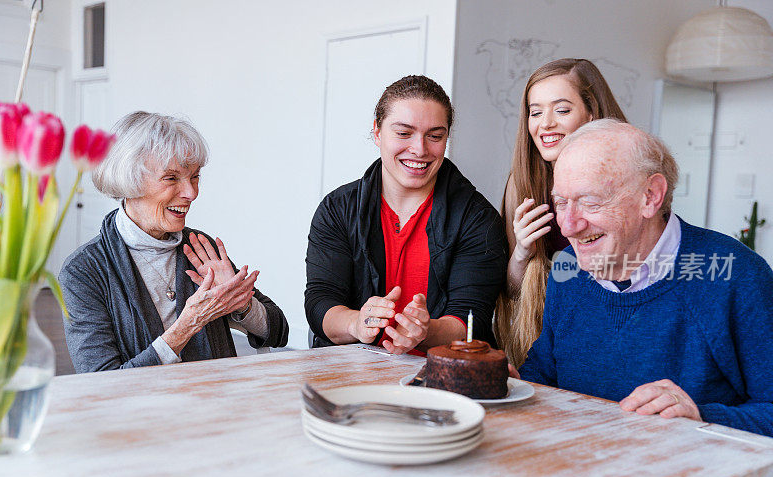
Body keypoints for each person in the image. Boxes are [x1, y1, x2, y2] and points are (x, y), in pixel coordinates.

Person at [520, 119, 773, 437]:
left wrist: (700, 417)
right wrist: (510, 382)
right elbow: (544, 373)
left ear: (651, 196)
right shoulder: (568, 267)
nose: (568, 226)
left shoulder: (735, 274)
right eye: (561, 203)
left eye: (590, 202)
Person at [60, 111, 288, 372]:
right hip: (139, 412)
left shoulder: (200, 247)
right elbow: (99, 380)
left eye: (195, 177)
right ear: (129, 180)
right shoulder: (84, 271)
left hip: (216, 405)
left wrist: (242, 305)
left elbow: (278, 332)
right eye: (171, 178)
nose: (191, 193)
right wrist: (185, 327)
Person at [305, 75, 507, 354]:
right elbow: (320, 302)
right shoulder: (338, 209)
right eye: (403, 133)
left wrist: (425, 330)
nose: (419, 149)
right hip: (352, 373)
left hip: (438, 378)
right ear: (377, 132)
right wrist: (357, 323)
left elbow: (472, 318)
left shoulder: (477, 218)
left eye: (435, 136)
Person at [495, 59, 627, 366]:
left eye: (562, 110)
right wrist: (523, 252)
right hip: (549, 339)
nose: (546, 124)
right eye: (536, 112)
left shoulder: (626, 180)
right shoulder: (524, 182)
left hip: (614, 330)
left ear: (592, 113)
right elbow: (512, 293)